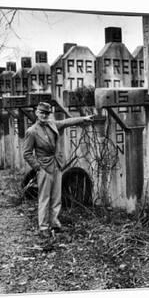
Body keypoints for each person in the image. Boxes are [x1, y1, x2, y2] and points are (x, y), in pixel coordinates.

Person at [22, 102, 93, 239]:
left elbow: (66, 122)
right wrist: (37, 167)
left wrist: (83, 119)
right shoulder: (32, 131)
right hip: (43, 166)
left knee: (56, 196)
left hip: (56, 165)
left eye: (47, 113)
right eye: (41, 112)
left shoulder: (52, 124)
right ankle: (43, 227)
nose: (44, 115)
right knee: (44, 198)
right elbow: (27, 153)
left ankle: (54, 223)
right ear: (36, 113)